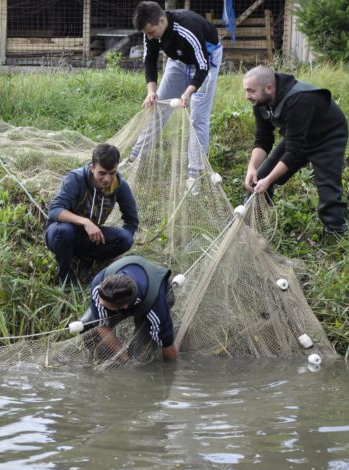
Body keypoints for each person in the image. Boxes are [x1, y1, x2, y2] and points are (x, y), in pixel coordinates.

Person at [242, 65, 349, 237]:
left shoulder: (298, 99)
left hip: (327, 137)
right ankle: (249, 227)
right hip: (298, 136)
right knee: (258, 179)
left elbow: (294, 153)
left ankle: (336, 235)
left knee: (328, 191)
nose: (247, 96)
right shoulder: (260, 100)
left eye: (251, 91)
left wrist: (269, 180)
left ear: (268, 88)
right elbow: (263, 139)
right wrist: (252, 168)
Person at [130, 1, 222, 186]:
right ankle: (135, 159)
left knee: (198, 117)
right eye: (146, 33)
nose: (150, 37)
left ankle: (195, 174)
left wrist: (188, 92)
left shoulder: (188, 28)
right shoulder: (150, 33)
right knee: (158, 107)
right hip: (178, 61)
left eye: (151, 32)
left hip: (206, 61)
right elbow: (149, 60)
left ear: (162, 21)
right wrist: (151, 92)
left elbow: (202, 66)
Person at [45, 144, 139, 286]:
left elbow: (131, 220)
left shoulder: (119, 185)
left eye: (112, 173)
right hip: (60, 235)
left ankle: (86, 260)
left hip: (90, 238)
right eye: (102, 173)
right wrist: (86, 222)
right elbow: (54, 210)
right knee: (65, 230)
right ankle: (66, 275)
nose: (107, 179)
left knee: (126, 239)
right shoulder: (75, 179)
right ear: (92, 168)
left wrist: (110, 248)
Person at [81, 255, 177, 363]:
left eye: (104, 303)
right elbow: (102, 326)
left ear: (124, 307)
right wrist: (124, 358)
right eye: (100, 299)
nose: (98, 302)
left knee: (139, 353)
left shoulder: (155, 307)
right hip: (126, 297)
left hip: (156, 290)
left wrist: (171, 372)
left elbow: (167, 345)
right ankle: (101, 360)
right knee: (88, 329)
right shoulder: (100, 286)